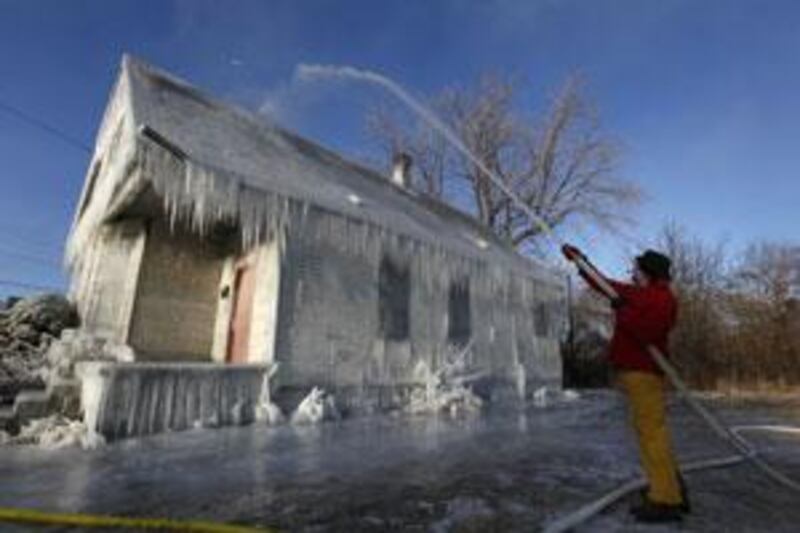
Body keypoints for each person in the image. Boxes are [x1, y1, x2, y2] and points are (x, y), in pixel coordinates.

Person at [562, 244, 689, 523]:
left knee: (652, 434)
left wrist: (623, 310)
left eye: (637, 269)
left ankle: (666, 499)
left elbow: (648, 332)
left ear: (649, 273)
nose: (633, 273)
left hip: (645, 373)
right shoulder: (642, 294)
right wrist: (581, 262)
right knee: (649, 434)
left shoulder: (663, 300)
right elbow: (604, 284)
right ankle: (667, 486)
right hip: (635, 373)